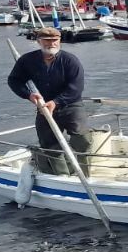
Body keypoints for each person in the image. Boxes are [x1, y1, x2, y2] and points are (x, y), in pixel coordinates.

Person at [7, 28, 89, 169]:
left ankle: (85, 171)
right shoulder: (27, 60)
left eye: (54, 40)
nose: (51, 44)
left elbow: (76, 88)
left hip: (71, 105)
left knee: (82, 139)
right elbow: (14, 80)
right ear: (39, 41)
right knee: (49, 143)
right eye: (47, 40)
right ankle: (60, 174)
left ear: (59, 41)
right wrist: (29, 95)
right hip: (44, 107)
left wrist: (56, 102)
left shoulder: (70, 61)